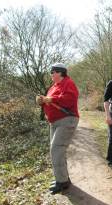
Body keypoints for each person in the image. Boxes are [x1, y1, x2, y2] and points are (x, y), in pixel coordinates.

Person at [36, 63, 79, 194]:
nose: (51, 74)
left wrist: (50, 99)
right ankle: (63, 178)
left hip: (66, 120)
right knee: (57, 151)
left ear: (60, 72)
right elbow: (51, 102)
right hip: (54, 122)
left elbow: (70, 99)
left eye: (53, 72)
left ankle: (62, 182)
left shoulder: (68, 83)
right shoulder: (53, 87)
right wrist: (42, 101)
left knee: (56, 150)